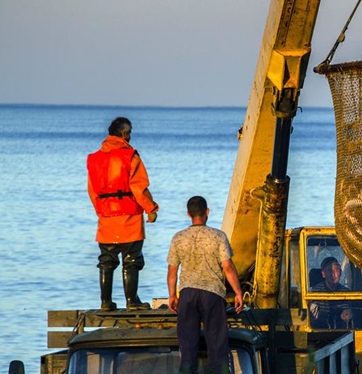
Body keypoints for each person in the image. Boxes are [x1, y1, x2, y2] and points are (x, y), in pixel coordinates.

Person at [87, 117, 159, 311]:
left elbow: (92, 191)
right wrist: (151, 209)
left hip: (106, 217)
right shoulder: (130, 156)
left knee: (107, 260)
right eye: (130, 133)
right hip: (129, 216)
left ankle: (105, 302)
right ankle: (132, 301)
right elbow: (139, 187)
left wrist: (101, 210)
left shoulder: (94, 159)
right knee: (132, 260)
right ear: (125, 134)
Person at [167, 196, 244, 374]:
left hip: (187, 294)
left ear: (188, 214)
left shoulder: (178, 238)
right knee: (217, 348)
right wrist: (238, 292)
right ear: (207, 212)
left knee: (187, 349)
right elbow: (228, 267)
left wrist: (172, 296)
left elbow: (172, 271)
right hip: (213, 295)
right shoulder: (218, 236)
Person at [309, 256, 353, 329]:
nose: (333, 274)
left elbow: (349, 309)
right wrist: (319, 315)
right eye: (329, 270)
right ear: (323, 274)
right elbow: (311, 315)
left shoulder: (346, 293)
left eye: (336, 270)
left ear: (341, 273)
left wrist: (348, 313)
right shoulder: (314, 292)